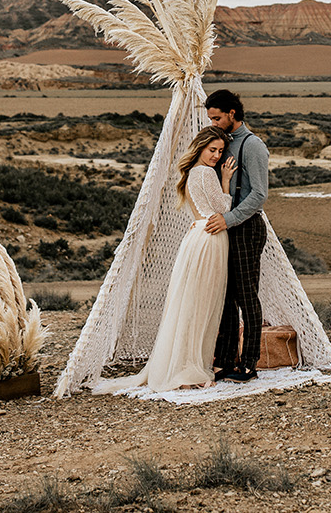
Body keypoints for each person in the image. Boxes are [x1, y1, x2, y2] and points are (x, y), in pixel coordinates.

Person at [94, 126, 236, 393]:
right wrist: (226, 180)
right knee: (202, 304)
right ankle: (188, 366)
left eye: (219, 151)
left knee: (190, 302)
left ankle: (182, 362)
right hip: (210, 237)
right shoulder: (206, 173)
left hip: (197, 235)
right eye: (212, 150)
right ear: (200, 148)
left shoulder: (192, 172)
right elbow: (223, 209)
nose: (216, 156)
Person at [203, 89, 269, 382]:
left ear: (232, 113)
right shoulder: (221, 143)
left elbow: (259, 195)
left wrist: (228, 219)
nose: (214, 123)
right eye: (210, 119)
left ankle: (249, 364)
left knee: (246, 297)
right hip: (226, 229)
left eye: (217, 118)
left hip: (245, 228)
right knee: (226, 297)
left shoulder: (253, 146)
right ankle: (225, 361)